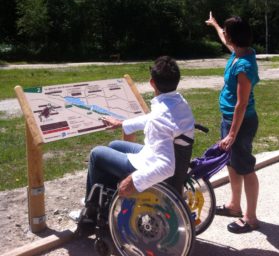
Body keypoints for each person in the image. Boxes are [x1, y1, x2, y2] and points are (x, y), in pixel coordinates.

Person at [85, 55, 195, 201]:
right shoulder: (178, 101)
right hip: (161, 155)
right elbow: (155, 118)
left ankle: (90, 211)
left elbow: (166, 166)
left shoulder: (160, 116)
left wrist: (134, 180)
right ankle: (107, 200)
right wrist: (122, 124)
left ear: (152, 83)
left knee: (96, 154)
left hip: (149, 164)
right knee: (114, 145)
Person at [205, 12, 260, 234]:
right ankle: (234, 206)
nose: (224, 35)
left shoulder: (244, 65)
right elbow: (222, 36)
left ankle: (251, 218)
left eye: (226, 33)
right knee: (231, 163)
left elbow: (241, 104)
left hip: (241, 123)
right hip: (230, 121)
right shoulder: (239, 53)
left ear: (233, 38)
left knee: (245, 167)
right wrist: (215, 25)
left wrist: (232, 134)